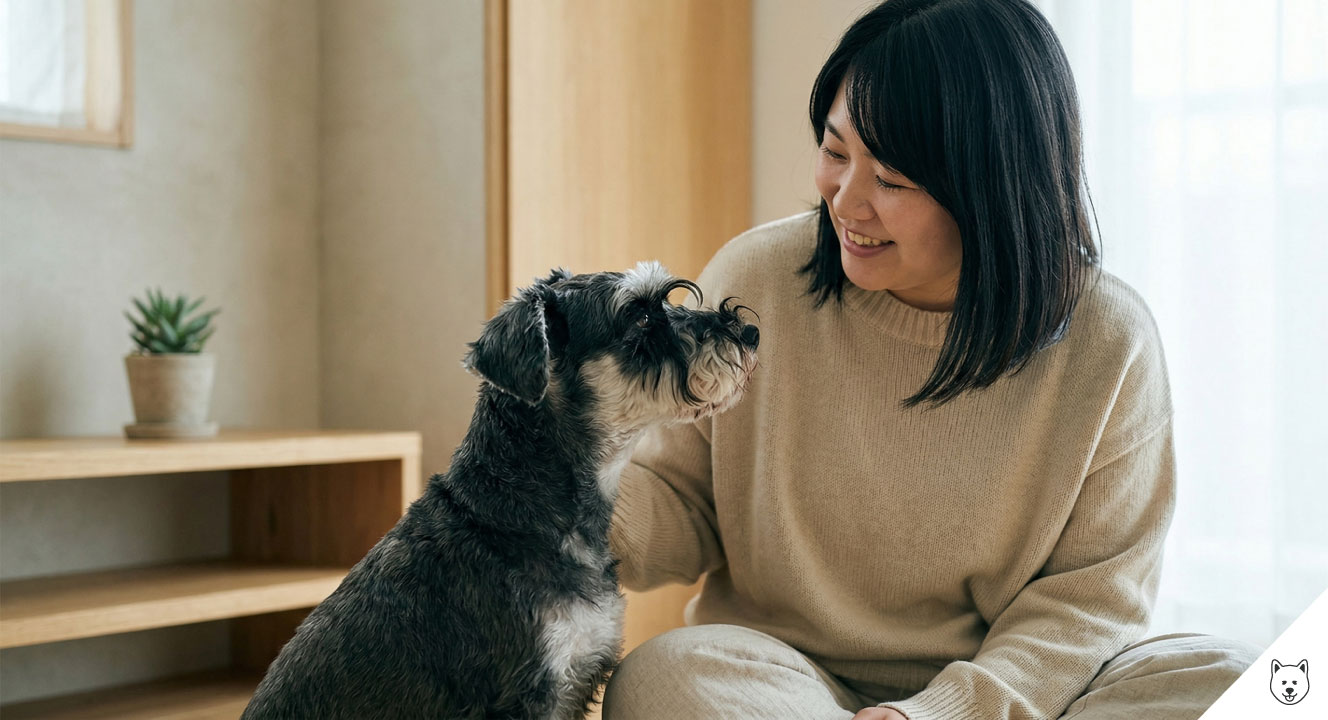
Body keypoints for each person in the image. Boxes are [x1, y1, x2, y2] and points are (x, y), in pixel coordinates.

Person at [600, 0, 1260, 718]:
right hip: (789, 681)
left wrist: (940, 712)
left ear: (994, 185)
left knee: (1240, 680)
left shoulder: (1108, 340)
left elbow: (1089, 605)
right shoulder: (758, 280)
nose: (846, 202)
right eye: (835, 151)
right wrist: (542, 486)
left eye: (892, 180)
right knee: (667, 678)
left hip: (1006, 694)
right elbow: (680, 497)